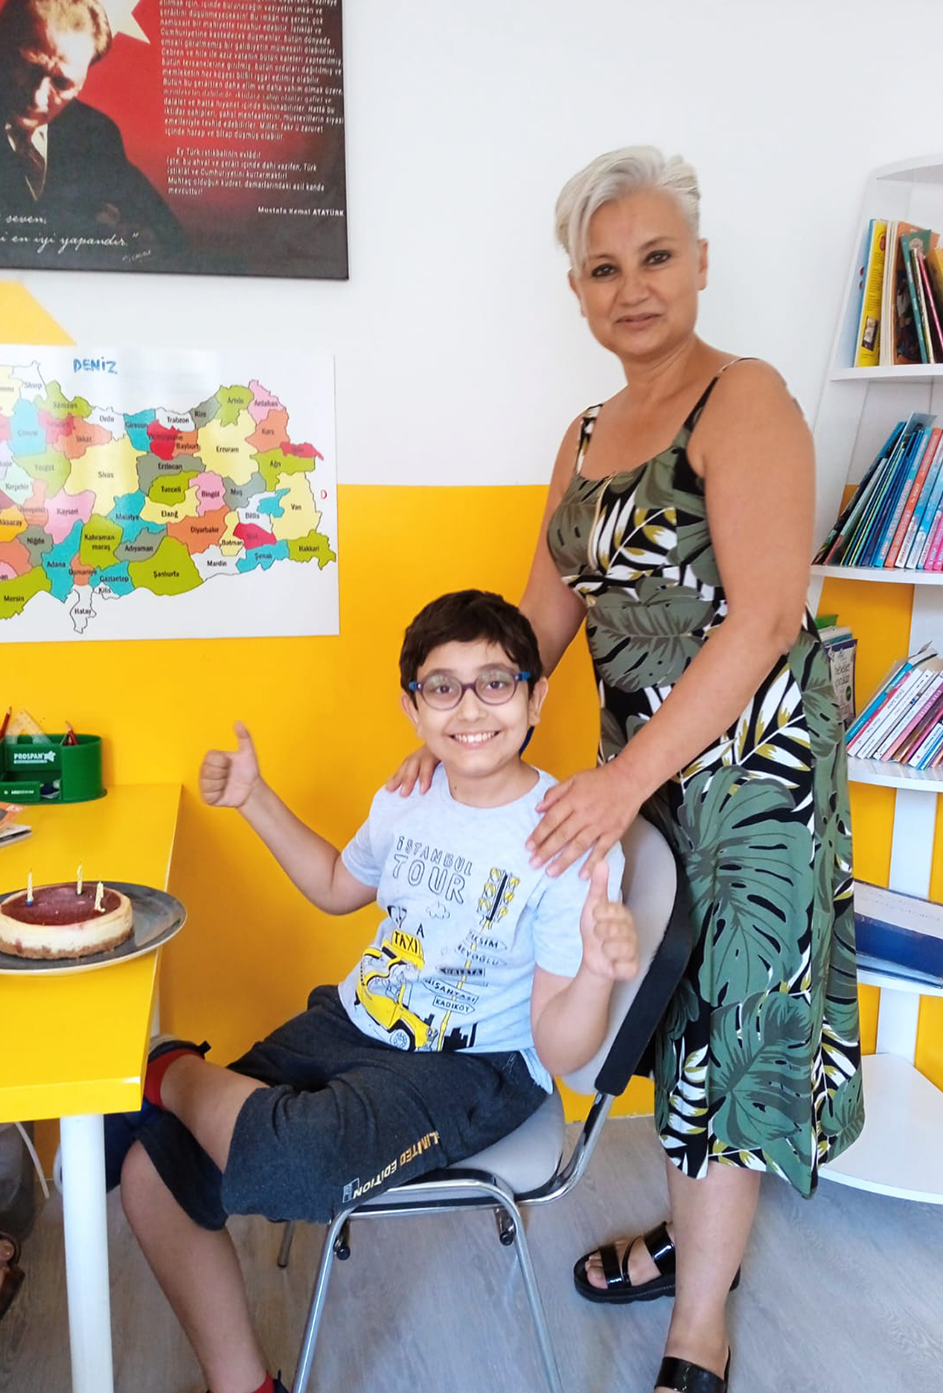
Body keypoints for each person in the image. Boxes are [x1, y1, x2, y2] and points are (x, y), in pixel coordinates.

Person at [390, 149, 864, 1393]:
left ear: (700, 264)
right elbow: (536, 626)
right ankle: (694, 1239)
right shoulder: (588, 432)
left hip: (751, 776)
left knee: (727, 1035)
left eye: (656, 257)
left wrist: (614, 782)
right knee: (660, 1020)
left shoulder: (745, 399)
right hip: (636, 774)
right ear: (577, 291)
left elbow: (763, 620)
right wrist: (459, 726)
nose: (632, 287)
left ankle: (698, 1324)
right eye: (603, 269)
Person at [109, 588, 639, 1393]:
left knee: (295, 1165)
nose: (471, 707)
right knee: (150, 1176)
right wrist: (254, 796)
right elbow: (335, 885)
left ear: (536, 697)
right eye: (443, 686)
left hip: (473, 1066)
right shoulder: (407, 796)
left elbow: (559, 1050)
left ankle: (168, 1069)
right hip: (352, 1019)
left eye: (496, 682)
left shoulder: (567, 837)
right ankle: (242, 1383)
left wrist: (597, 971)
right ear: (412, 707)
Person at [0, 0, 185, 266]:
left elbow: (170, 240)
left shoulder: (95, 133)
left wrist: (140, 245)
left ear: (82, 82)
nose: (37, 97)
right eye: (30, 68)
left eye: (61, 83)